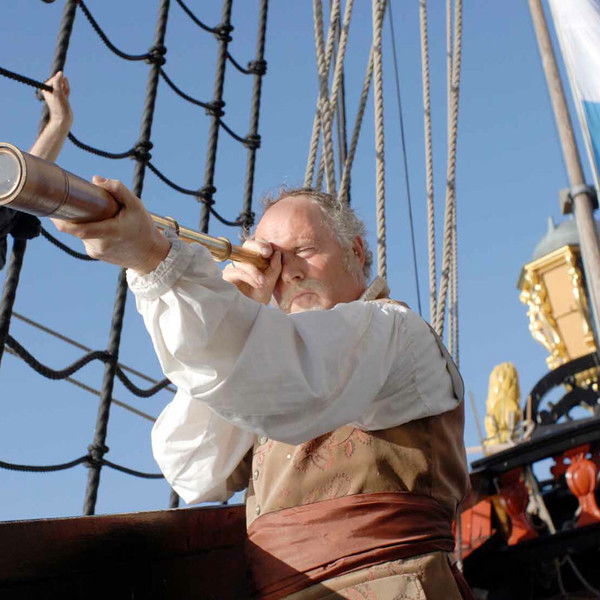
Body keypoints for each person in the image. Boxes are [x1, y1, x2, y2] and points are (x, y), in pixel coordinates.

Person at [39, 76, 473, 599]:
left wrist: (154, 256)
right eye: (271, 259)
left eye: (304, 251)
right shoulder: (263, 371)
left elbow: (288, 377)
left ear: (357, 252)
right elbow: (191, 468)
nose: (288, 272)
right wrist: (241, 303)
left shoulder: (395, 334)